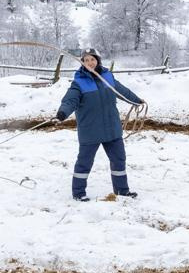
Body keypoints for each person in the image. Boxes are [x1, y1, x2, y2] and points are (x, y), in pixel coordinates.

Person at [55, 48, 145, 202]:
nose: (90, 62)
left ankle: (122, 191)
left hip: (112, 128)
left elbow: (122, 90)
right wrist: (63, 112)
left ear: (98, 60)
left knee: (119, 159)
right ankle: (78, 193)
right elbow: (70, 100)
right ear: (82, 62)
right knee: (84, 163)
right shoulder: (79, 82)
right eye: (86, 60)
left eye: (93, 59)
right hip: (91, 130)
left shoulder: (107, 77)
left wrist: (136, 100)